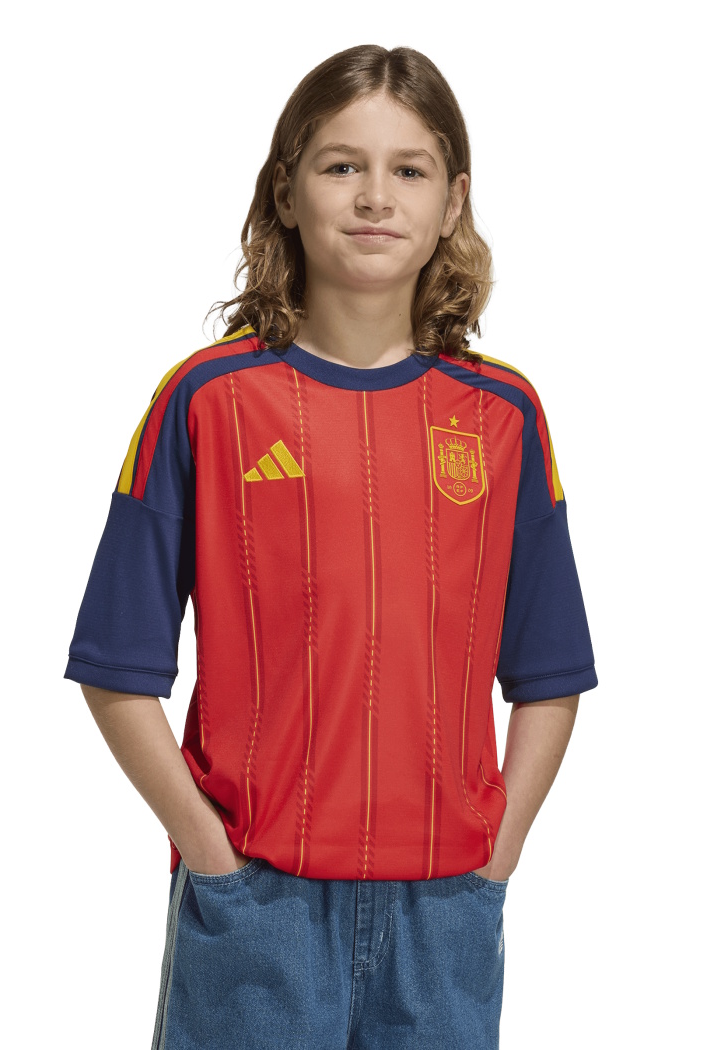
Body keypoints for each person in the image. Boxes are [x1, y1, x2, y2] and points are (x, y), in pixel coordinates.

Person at [65, 43, 596, 1050]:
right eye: (341, 165)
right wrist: (211, 855)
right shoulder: (206, 401)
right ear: (287, 191)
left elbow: (551, 674)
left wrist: (500, 850)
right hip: (255, 901)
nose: (374, 197)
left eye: (410, 170)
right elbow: (115, 669)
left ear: (453, 201)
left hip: (447, 906)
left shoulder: (504, 417)